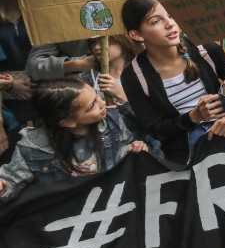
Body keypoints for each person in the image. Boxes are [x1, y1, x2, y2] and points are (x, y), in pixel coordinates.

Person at [0, 79, 156, 200]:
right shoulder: (32, 148)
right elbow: (11, 181)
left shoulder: (112, 121)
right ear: (68, 122)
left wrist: (135, 149)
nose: (103, 104)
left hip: (116, 201)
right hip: (72, 216)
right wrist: (3, 187)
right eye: (92, 106)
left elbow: (123, 148)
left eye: (97, 96)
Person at [121, 0, 225, 164]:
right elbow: (157, 129)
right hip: (187, 156)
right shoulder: (134, 77)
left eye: (171, 15)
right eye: (155, 21)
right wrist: (193, 117)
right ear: (137, 34)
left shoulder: (205, 49)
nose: (170, 24)